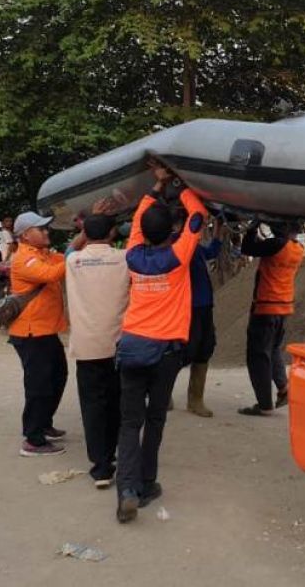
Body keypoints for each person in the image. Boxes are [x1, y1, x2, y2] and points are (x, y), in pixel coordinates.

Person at [115, 164, 206, 522]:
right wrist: (181, 184)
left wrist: (157, 185)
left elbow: (138, 221)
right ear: (171, 230)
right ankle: (147, 483)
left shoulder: (132, 255)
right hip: (166, 352)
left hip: (133, 346)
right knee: (154, 420)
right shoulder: (178, 257)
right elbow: (198, 214)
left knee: (129, 423)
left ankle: (126, 490)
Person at [65, 213, 129, 488]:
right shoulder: (124, 259)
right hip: (117, 345)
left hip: (86, 346)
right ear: (113, 233)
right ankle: (114, 454)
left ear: (85, 234)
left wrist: (84, 228)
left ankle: (101, 466)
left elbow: (71, 247)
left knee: (92, 406)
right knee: (116, 402)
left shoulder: (73, 260)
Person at [7, 211, 69, 457]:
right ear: (25, 235)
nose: (46, 232)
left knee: (58, 376)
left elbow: (63, 258)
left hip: (46, 330)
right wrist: (75, 256)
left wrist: (85, 237)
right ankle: (33, 439)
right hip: (31, 333)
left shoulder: (42, 254)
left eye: (46, 228)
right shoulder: (24, 259)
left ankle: (43, 423)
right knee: (38, 384)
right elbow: (53, 273)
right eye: (40, 229)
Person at [239, 220, 305, 417]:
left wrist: (254, 224)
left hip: (266, 307)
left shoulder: (276, 245)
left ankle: (264, 404)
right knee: (273, 349)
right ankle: (284, 389)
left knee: (258, 355)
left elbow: (247, 247)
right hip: (283, 307)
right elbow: (265, 248)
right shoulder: (298, 249)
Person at [185, 218, 226, 417]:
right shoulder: (178, 245)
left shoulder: (196, 248)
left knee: (205, 347)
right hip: (188, 308)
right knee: (185, 351)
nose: (202, 231)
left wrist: (218, 229)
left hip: (204, 306)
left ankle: (195, 399)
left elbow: (212, 251)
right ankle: (161, 392)